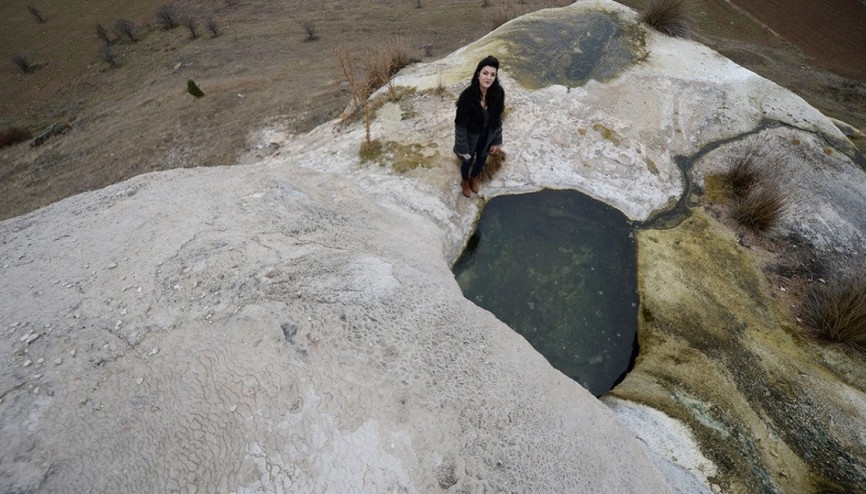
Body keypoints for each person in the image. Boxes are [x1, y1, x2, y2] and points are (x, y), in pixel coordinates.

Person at [453, 55, 504, 198]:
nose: (488, 78)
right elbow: (460, 127)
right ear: (478, 74)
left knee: (481, 160)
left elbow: (498, 119)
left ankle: (473, 178)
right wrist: (462, 148)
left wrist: (495, 140)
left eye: (492, 74)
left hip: (487, 136)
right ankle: (464, 181)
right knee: (467, 161)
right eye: (485, 73)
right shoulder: (467, 98)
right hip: (470, 138)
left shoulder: (498, 94)